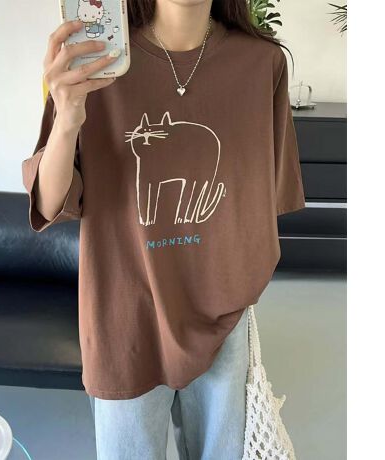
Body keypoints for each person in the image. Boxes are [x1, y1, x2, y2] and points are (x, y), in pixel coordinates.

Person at [21, 0, 305, 458]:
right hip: (124, 315)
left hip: (223, 315)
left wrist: (240, 279)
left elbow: (264, 199)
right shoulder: (95, 63)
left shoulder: (262, 63)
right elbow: (50, 203)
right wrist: (68, 116)